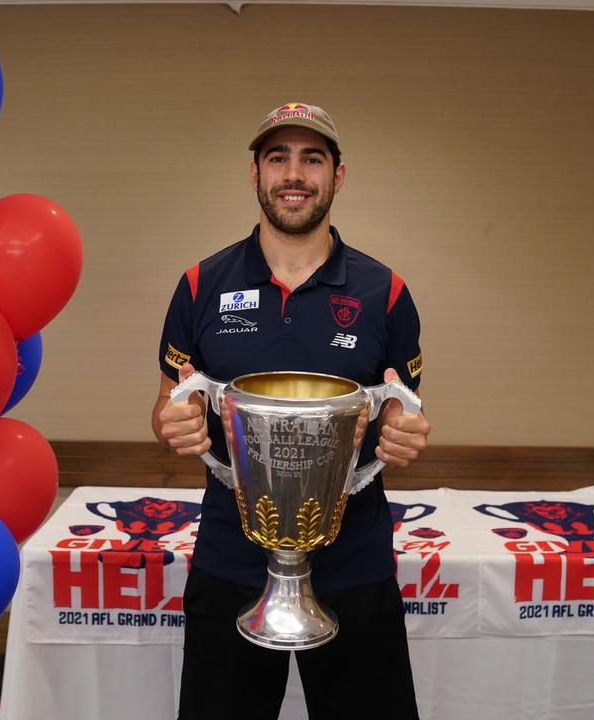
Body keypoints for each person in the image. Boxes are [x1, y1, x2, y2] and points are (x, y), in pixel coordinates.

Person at [151, 101, 431, 720]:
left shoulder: (384, 293)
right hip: (231, 556)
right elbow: (173, 397)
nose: (294, 174)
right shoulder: (201, 284)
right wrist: (175, 420)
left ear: (338, 174)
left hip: (354, 562)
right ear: (255, 173)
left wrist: (402, 433)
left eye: (312, 158)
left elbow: (400, 410)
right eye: (278, 158)